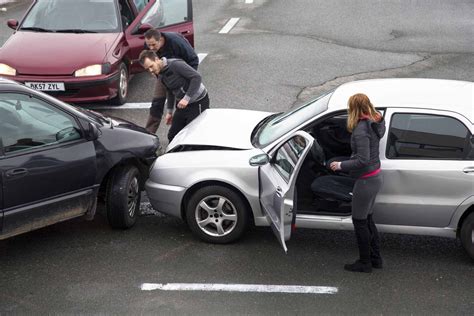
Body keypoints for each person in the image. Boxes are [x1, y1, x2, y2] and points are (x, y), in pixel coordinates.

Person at [329, 93, 386, 273]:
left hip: (365, 181)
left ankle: (364, 263)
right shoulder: (376, 121)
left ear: (353, 108)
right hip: (375, 177)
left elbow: (362, 160)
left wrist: (340, 165)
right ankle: (376, 259)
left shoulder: (362, 130)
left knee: (359, 221)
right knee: (368, 220)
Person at [139, 50, 209, 142]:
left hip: (198, 102)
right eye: (147, 69)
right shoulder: (160, 73)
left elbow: (196, 77)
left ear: (156, 59)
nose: (151, 70)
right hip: (182, 104)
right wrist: (170, 112)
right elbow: (169, 90)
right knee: (173, 135)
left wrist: (186, 98)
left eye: (151, 66)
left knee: (193, 135)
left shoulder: (175, 65)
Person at [143, 29, 199, 134]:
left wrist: (187, 82)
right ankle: (149, 134)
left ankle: (187, 133)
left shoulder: (176, 42)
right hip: (162, 73)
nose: (151, 48)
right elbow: (148, 60)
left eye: (153, 45)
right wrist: (158, 75)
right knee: (156, 103)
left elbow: (193, 59)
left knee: (182, 104)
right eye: (148, 45)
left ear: (160, 40)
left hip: (181, 72)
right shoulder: (149, 45)